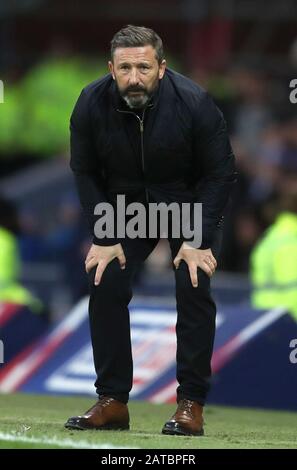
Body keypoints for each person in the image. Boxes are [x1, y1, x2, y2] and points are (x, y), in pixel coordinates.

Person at [65, 25, 236, 436]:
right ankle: (113, 401)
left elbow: (220, 173)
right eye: (125, 68)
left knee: (193, 283)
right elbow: (84, 171)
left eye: (144, 66)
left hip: (185, 201)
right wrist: (104, 236)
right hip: (125, 204)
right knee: (104, 277)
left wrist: (197, 240)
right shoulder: (90, 101)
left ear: (162, 67)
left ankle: (190, 404)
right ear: (111, 68)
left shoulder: (194, 102)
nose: (134, 77)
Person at [250, 188, 297, 321]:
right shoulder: (291, 241)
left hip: (263, 318)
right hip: (287, 322)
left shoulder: (271, 236)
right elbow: (293, 292)